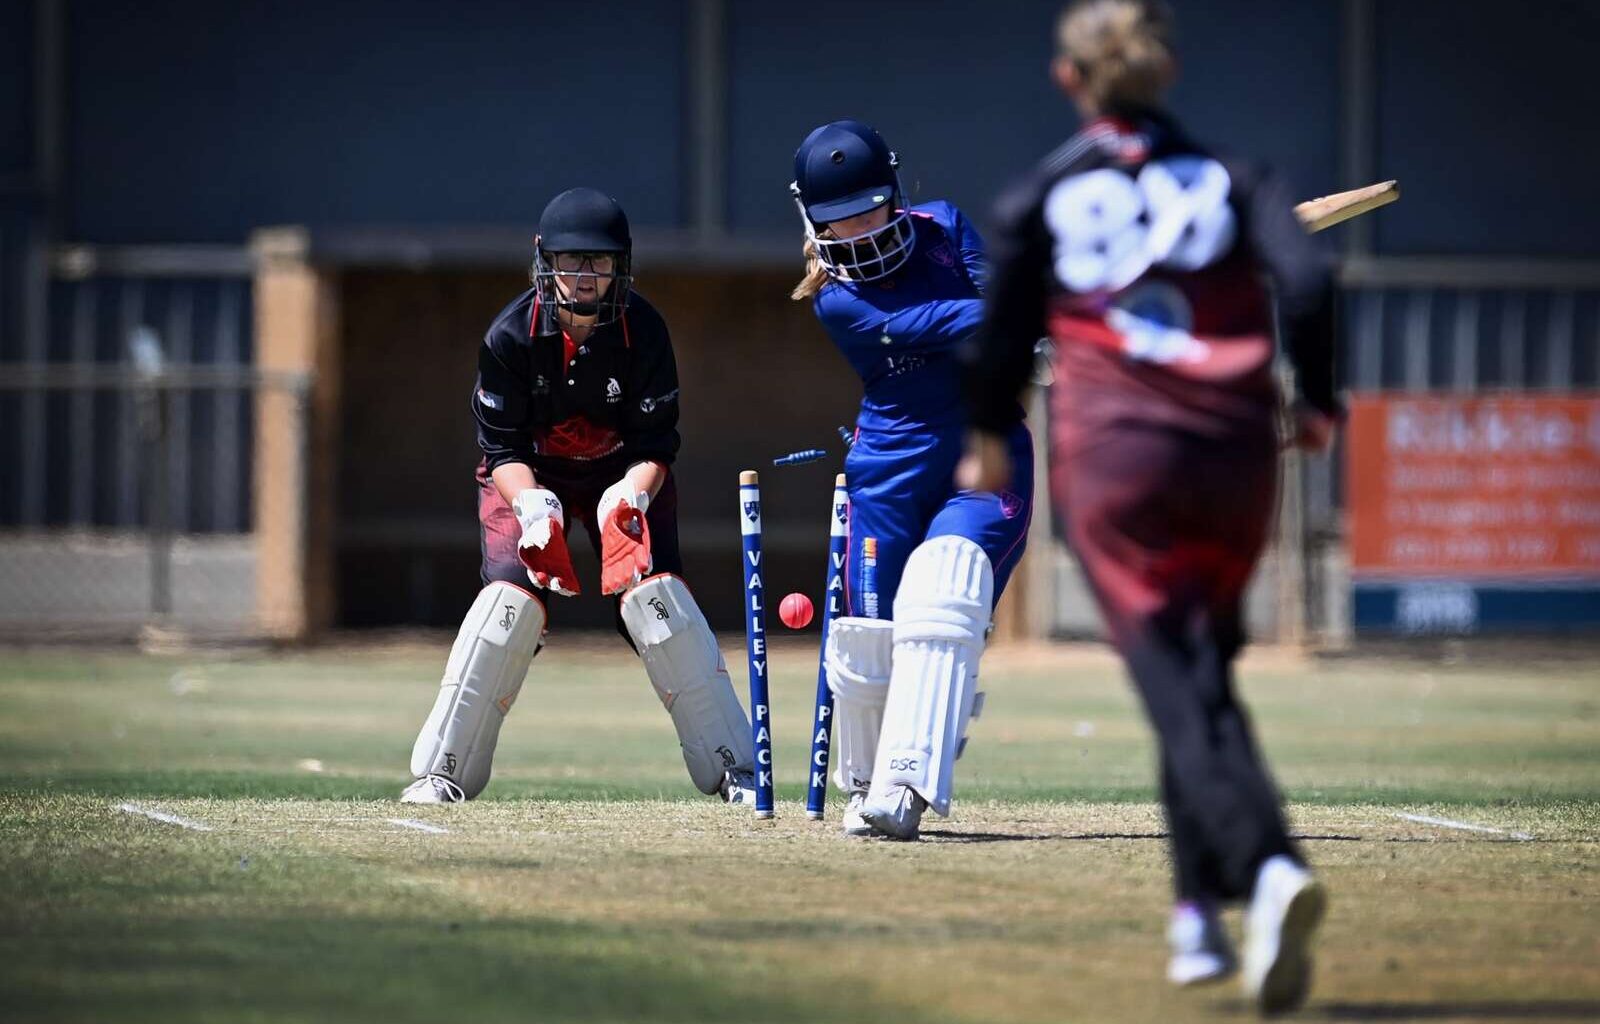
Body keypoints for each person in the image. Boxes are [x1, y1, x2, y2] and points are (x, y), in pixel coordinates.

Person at [958, 0, 1337, 1013]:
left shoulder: (1040, 191)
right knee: (1200, 667)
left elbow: (997, 337)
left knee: (1170, 671)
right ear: (1165, 72)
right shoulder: (1235, 177)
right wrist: (1323, 398)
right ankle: (1195, 922)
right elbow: (1307, 277)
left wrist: (988, 437)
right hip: (1233, 450)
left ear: (1066, 79)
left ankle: (1263, 865)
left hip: (1119, 455)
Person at [401, 187, 757, 808]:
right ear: (544, 258)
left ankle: (735, 769)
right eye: (570, 260)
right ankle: (442, 772)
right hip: (530, 478)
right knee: (506, 611)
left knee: (658, 604)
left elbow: (657, 445)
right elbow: (501, 448)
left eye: (599, 261)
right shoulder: (510, 337)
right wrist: (535, 507)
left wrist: (631, 498)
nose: (584, 276)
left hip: (624, 476)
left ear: (622, 263)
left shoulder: (644, 331)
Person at [789, 120, 1033, 840]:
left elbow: (997, 314)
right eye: (839, 219)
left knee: (946, 583)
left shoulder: (946, 226)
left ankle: (906, 786)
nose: (859, 230)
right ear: (812, 220)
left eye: (869, 208)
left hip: (984, 448)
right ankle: (869, 778)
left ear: (894, 195)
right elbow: (950, 319)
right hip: (890, 465)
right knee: (870, 642)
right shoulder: (837, 297)